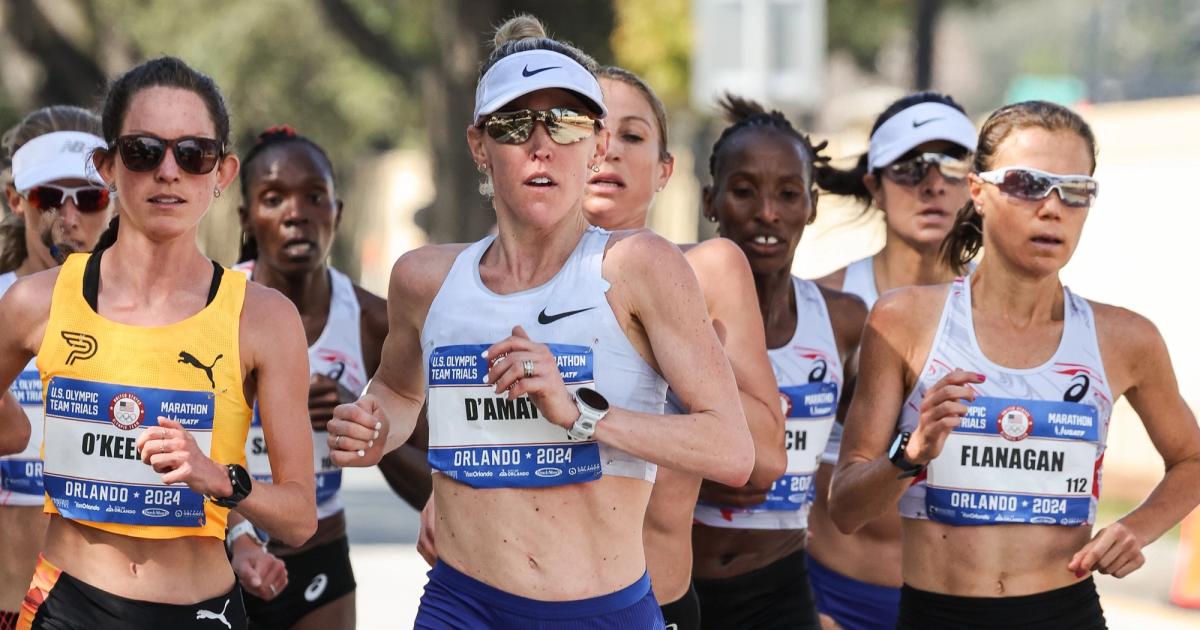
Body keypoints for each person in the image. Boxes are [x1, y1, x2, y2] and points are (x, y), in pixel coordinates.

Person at [328, 15, 754, 629]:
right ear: (480, 146)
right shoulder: (424, 279)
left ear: (597, 144)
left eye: (568, 122)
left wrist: (582, 411)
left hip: (600, 610)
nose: (541, 144)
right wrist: (371, 427)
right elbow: (397, 392)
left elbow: (731, 449)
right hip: (460, 605)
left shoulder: (638, 268)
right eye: (513, 124)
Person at [829, 100, 1200, 629]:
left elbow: (1191, 460)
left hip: (1064, 613)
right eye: (1028, 184)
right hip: (937, 614)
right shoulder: (904, 320)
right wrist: (909, 455)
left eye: (1075, 190)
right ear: (977, 192)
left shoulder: (1125, 337)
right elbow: (845, 509)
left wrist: (1137, 528)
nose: (1051, 208)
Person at [0, 56, 317, 630]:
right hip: (68, 607)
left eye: (192, 155)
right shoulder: (35, 303)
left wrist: (219, 478)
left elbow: (299, 520)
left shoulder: (264, 317)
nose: (169, 172)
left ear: (222, 174)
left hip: (203, 612)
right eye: (145, 151)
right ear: (107, 167)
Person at [580, 67, 786, 630]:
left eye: (632, 136)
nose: (607, 151)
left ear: (664, 169)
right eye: (589, 128)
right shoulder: (509, 278)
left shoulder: (708, 271)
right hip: (516, 601)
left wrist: (683, 357)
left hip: (654, 602)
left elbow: (766, 457)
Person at [687, 95, 867, 629]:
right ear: (710, 201)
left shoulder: (843, 322)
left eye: (788, 194)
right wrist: (694, 473)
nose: (767, 212)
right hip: (673, 579)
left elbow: (860, 463)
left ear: (811, 205)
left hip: (779, 589)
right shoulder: (670, 307)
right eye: (743, 192)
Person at [806, 92, 977, 629]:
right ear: (874, 186)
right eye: (909, 167)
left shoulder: (1008, 314)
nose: (933, 184)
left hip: (959, 601)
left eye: (952, 163)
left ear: (977, 185)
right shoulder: (823, 307)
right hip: (834, 596)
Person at [228, 126, 393, 630]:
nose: (296, 214)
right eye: (274, 198)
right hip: (221, 552)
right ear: (248, 219)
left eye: (314, 197)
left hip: (318, 554)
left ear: (336, 213)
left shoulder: (371, 320)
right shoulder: (212, 308)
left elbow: (432, 473)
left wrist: (366, 426)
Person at [0, 105, 116, 630]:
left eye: (89, 199)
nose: (69, 219)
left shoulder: (153, 315)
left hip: (105, 607)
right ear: (15, 199)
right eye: (49, 197)